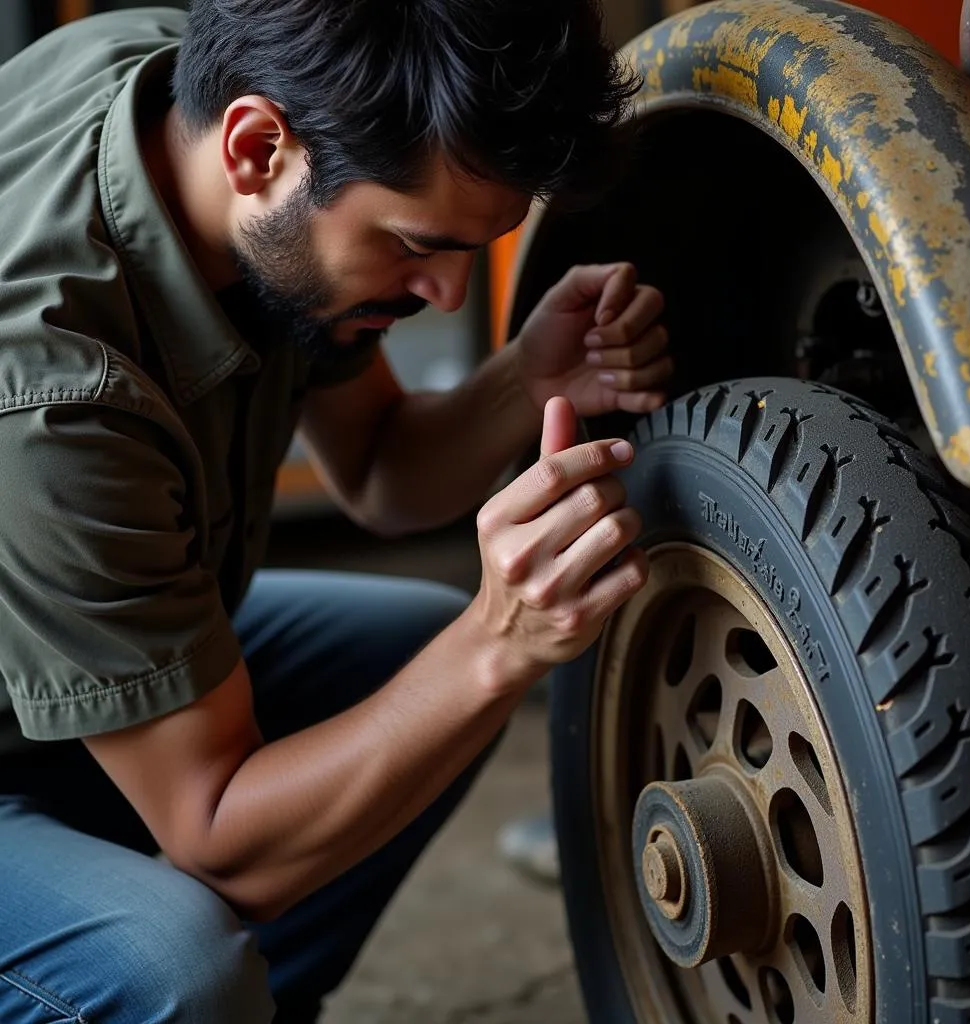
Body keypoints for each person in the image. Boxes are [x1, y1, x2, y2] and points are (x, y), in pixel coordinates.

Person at [0, 2, 672, 1021]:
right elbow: (216, 829)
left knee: (407, 657)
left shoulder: (222, 98)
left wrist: (527, 379)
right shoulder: (55, 394)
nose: (448, 295)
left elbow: (378, 470)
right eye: (416, 244)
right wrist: (500, 637)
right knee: (178, 971)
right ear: (257, 148)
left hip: (45, 658)